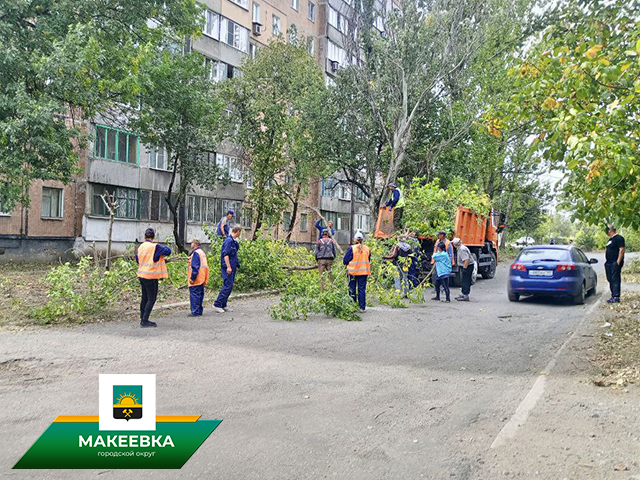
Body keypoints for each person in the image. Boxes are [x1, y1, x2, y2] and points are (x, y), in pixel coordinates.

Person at [135, 228, 171, 327]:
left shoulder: (141, 247)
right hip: (151, 276)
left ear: (144, 236)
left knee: (144, 297)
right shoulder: (155, 247)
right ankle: (145, 320)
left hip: (142, 275)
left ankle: (142, 317)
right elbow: (168, 251)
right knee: (152, 298)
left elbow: (137, 259)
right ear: (153, 237)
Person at [214, 225, 242, 313]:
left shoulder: (233, 241)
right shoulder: (229, 241)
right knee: (227, 286)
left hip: (232, 267)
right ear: (237, 231)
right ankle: (217, 304)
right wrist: (228, 267)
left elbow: (234, 254)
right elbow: (225, 255)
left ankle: (223, 304)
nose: (240, 234)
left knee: (230, 286)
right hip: (227, 267)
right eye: (240, 232)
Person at [343, 231, 371, 312]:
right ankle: (362, 307)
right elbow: (368, 259)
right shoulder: (367, 248)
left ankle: (352, 306)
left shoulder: (352, 248)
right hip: (363, 272)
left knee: (352, 289)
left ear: (355, 239)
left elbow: (345, 260)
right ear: (362, 239)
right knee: (361, 289)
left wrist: (346, 263)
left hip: (353, 272)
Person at [188, 239, 209, 317]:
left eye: (191, 243)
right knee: (200, 295)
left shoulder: (196, 253)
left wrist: (192, 278)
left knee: (194, 295)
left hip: (196, 278)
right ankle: (199, 311)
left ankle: (195, 312)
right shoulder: (202, 252)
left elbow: (195, 267)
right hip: (202, 277)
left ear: (195, 244)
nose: (191, 244)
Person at [605, 226, 625, 303]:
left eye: (607, 230)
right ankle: (613, 295)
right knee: (610, 279)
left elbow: (622, 250)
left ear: (611, 230)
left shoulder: (619, 238)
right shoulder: (610, 240)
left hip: (615, 262)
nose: (606, 231)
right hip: (608, 262)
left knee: (615, 279)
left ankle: (616, 297)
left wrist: (618, 262)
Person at [452, 237, 475, 302]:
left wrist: (464, 268)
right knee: (463, 280)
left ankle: (466, 295)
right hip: (466, 265)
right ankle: (463, 294)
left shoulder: (462, 249)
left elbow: (466, 260)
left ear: (456, 244)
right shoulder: (460, 248)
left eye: (454, 243)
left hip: (468, 266)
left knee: (466, 280)